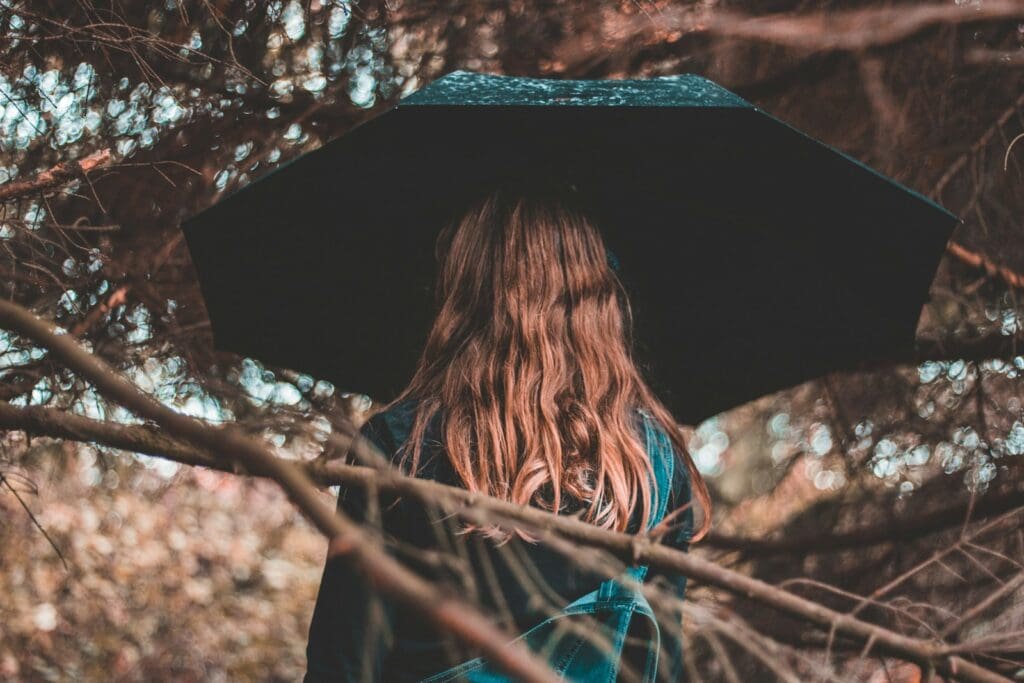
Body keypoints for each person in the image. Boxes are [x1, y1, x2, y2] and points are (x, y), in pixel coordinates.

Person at [304, 177, 711, 682]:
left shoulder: (400, 443)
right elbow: (659, 664)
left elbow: (342, 664)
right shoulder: (654, 464)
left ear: (465, 292)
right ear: (598, 300)